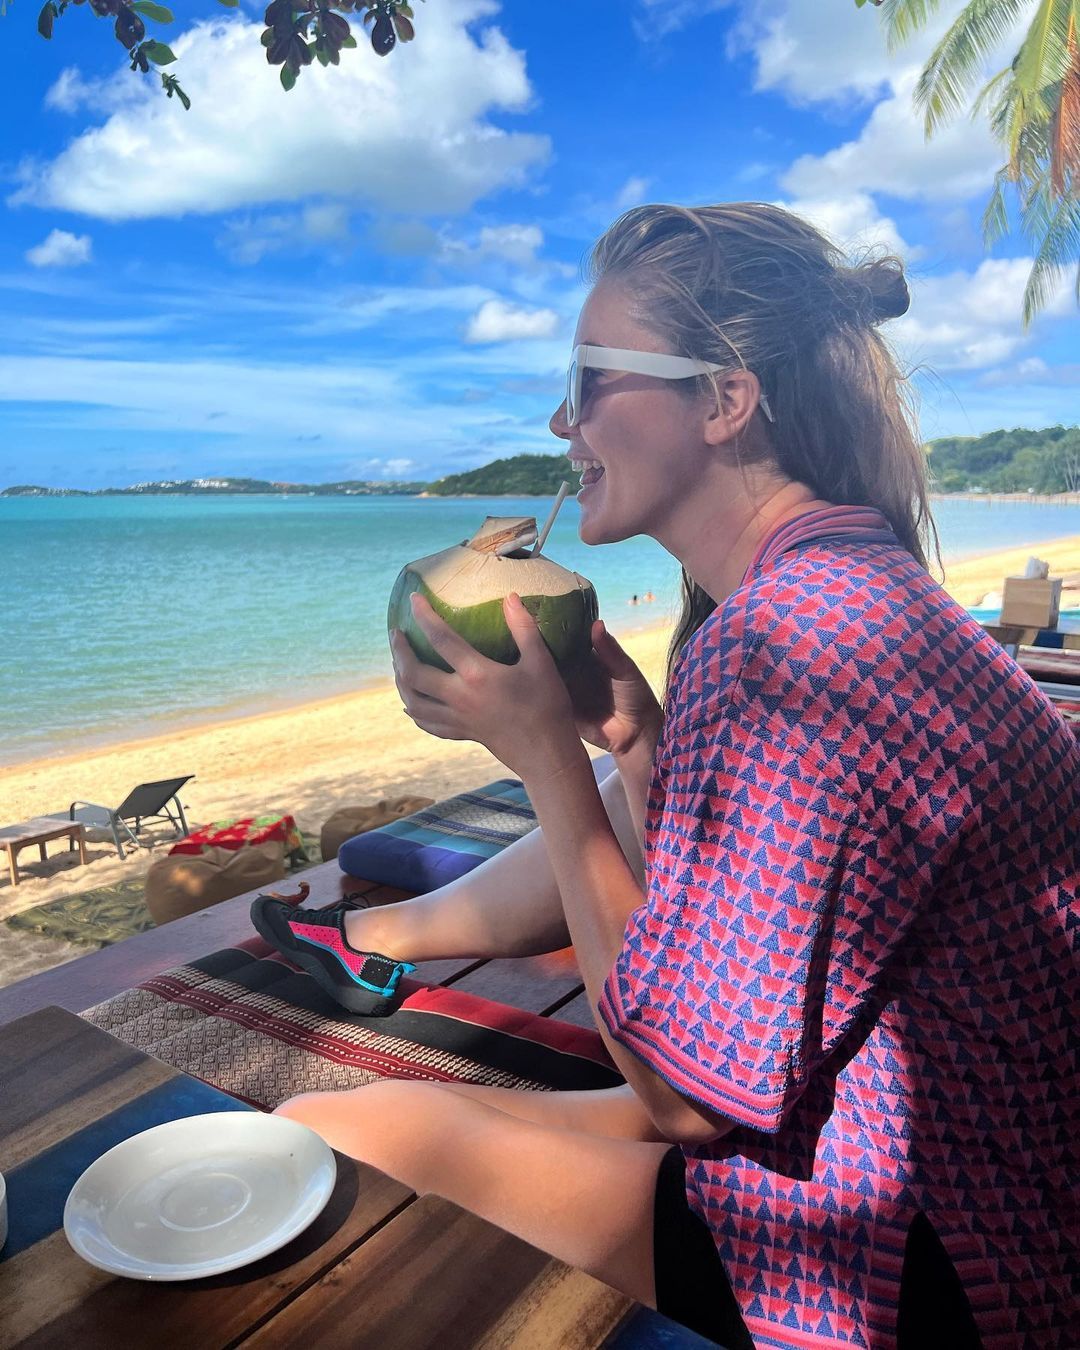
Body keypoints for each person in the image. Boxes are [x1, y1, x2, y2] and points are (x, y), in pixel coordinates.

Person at [250, 203, 1079, 1349]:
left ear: (725, 400)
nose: (561, 419)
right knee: (404, 1110)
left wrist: (548, 762)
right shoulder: (844, 585)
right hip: (981, 1171)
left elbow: (680, 1094)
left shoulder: (786, 643)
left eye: (590, 379)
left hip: (919, 1250)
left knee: (328, 1139)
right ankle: (379, 954)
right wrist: (636, 740)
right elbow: (736, 942)